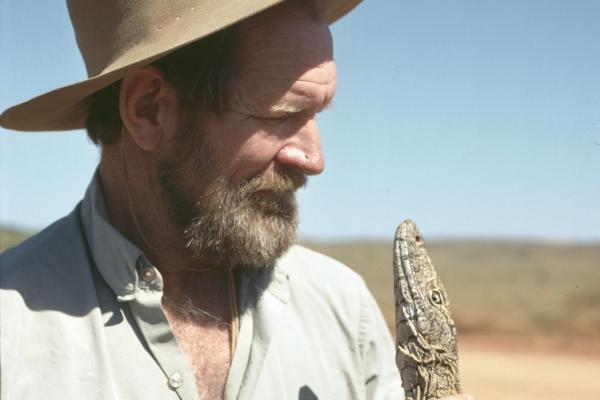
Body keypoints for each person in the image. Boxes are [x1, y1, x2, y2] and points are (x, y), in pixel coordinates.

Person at [0, 1, 474, 399]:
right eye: (281, 114)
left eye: (316, 113)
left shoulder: (344, 313)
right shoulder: (11, 333)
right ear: (148, 109)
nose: (313, 158)